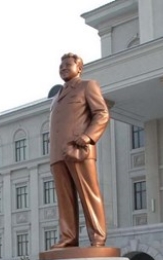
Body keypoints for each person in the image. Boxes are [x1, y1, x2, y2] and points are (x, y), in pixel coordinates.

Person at [48, 52, 110, 248]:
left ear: (79, 68)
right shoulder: (56, 96)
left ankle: (98, 238)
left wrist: (88, 136)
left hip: (79, 150)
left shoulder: (87, 86)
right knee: (64, 200)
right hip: (58, 154)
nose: (63, 68)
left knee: (89, 194)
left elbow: (101, 113)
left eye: (68, 64)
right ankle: (68, 237)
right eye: (61, 65)